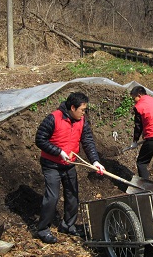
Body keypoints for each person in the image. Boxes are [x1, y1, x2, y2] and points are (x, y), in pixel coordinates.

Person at [35, 92, 105, 244]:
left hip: (69, 164)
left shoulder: (82, 121)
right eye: (82, 109)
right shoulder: (53, 118)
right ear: (72, 108)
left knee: (73, 194)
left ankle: (68, 225)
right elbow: (40, 139)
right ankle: (43, 230)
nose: (84, 112)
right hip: (51, 164)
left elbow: (87, 141)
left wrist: (95, 161)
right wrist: (58, 152)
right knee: (52, 196)